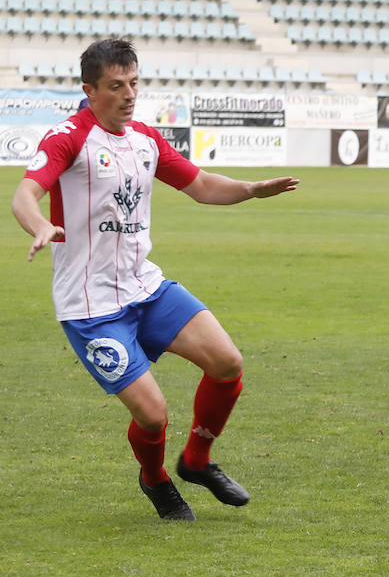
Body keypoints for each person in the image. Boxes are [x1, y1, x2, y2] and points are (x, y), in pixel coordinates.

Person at [10, 39, 299, 521]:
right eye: (116, 86)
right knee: (153, 414)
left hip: (146, 287)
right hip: (91, 306)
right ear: (90, 90)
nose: (129, 94)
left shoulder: (145, 138)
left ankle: (196, 461)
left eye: (134, 83)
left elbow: (202, 185)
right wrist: (39, 224)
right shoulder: (68, 137)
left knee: (227, 362)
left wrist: (250, 189)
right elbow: (25, 193)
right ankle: (156, 478)